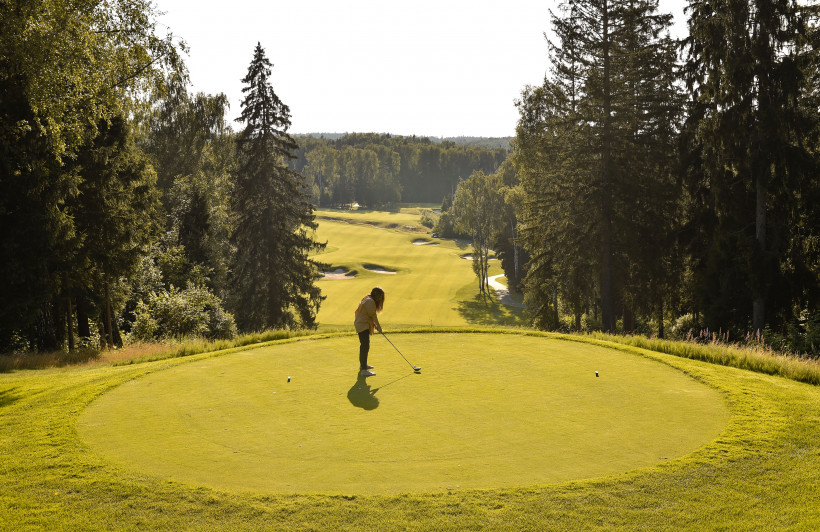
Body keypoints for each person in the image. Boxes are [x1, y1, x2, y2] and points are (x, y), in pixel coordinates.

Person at [354, 287, 384, 376]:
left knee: (365, 346)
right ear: (376, 295)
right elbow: (373, 316)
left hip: (363, 324)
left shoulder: (368, 299)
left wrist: (374, 325)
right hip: (362, 325)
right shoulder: (370, 301)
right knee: (365, 346)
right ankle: (363, 370)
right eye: (380, 296)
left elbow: (368, 315)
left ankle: (363, 365)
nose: (380, 299)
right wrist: (379, 326)